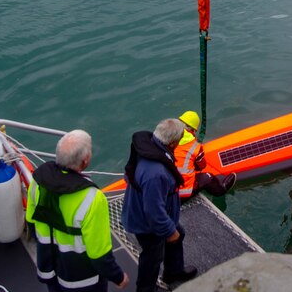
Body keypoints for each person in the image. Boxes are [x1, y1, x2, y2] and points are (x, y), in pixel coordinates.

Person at [26, 130, 129, 292]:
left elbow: (31, 223)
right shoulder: (93, 198)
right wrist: (118, 276)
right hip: (81, 278)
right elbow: (99, 253)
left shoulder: (37, 182)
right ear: (85, 160)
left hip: (48, 267)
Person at [121, 119, 197, 292]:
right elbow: (154, 212)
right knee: (152, 256)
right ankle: (146, 288)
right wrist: (169, 231)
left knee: (179, 234)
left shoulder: (147, 148)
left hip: (144, 210)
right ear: (172, 143)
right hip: (146, 224)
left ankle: (173, 271)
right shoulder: (156, 173)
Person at [174, 111, 236, 200]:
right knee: (207, 177)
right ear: (193, 130)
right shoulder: (194, 146)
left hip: (163, 187)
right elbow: (201, 166)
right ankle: (222, 189)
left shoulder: (168, 137)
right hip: (179, 193)